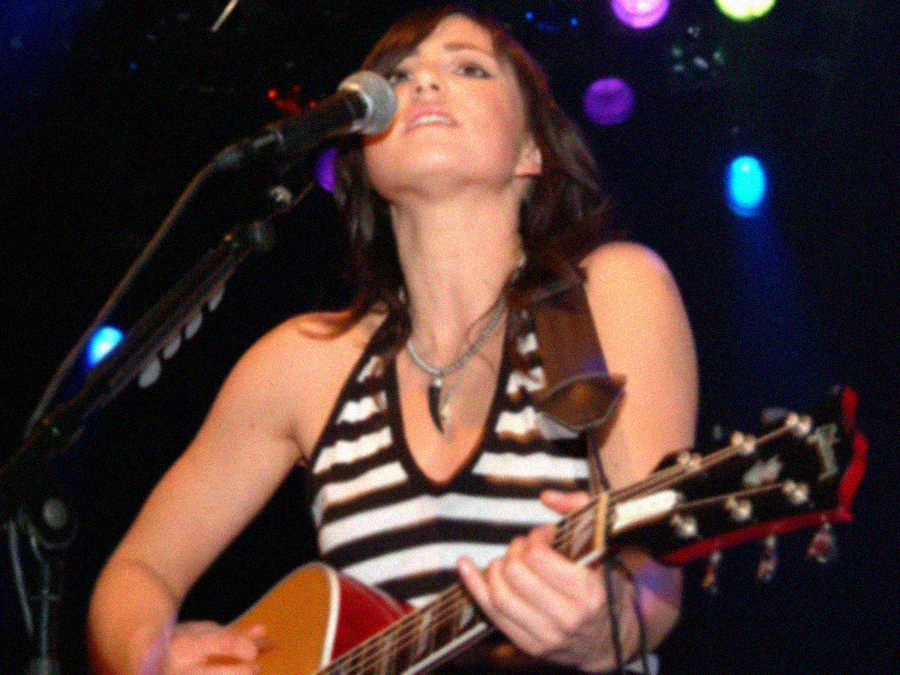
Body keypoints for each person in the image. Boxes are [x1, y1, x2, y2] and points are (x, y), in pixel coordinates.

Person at [88, 6, 697, 675]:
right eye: (397, 77)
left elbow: (658, 569)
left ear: (532, 152)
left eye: (468, 68)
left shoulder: (608, 293)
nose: (425, 83)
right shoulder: (307, 361)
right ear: (363, 150)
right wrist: (150, 655)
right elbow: (135, 572)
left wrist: (607, 625)